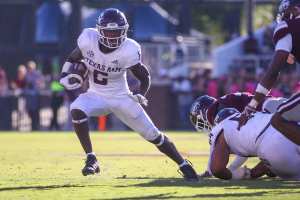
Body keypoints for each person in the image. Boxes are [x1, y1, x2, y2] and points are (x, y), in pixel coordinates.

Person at [59, 8, 198, 181]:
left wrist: (140, 93)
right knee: (76, 108)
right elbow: (74, 56)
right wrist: (65, 74)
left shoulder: (129, 49)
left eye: (116, 32)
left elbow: (144, 75)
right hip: (96, 95)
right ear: (100, 30)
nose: (112, 36)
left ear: (124, 31)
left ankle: (183, 164)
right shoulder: (88, 38)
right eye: (108, 31)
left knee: (154, 135)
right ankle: (91, 158)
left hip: (122, 98)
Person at [238, 0, 300, 145]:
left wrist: (251, 105)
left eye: (286, 13)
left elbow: (273, 71)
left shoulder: (287, 27)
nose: (284, 17)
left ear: (296, 9)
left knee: (278, 119)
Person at [189, 92, 285, 177]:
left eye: (197, 120)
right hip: (276, 106)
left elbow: (241, 144)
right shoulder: (221, 105)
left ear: (202, 113)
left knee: (268, 166)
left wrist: (230, 169)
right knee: (272, 171)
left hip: (272, 110)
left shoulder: (218, 111)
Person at [208, 108, 300, 180]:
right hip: (290, 125)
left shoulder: (221, 128)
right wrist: (251, 174)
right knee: (272, 169)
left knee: (275, 167)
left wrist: (234, 175)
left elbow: (217, 169)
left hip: (273, 144)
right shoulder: (254, 117)